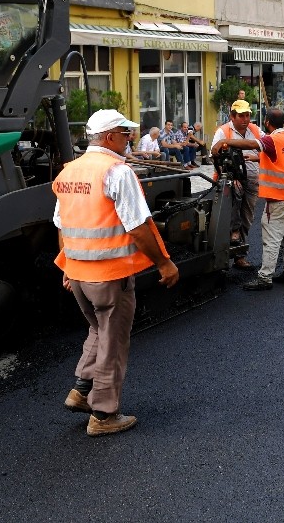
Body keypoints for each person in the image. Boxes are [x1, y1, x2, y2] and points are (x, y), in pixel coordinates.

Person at [53, 109, 179, 437]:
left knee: (97, 330)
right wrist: (164, 263)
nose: (130, 139)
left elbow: (62, 225)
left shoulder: (69, 173)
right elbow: (137, 228)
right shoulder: (117, 172)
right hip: (110, 276)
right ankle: (104, 414)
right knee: (113, 341)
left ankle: (81, 390)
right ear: (109, 136)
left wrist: (68, 264)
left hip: (79, 275)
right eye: (126, 134)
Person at [221, 108, 284, 291]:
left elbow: (250, 143)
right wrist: (257, 158)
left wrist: (225, 141)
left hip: (277, 199)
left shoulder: (272, 139)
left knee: (271, 238)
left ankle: (265, 277)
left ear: (267, 123)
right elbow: (278, 158)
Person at [210, 99, 262, 270]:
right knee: (227, 218)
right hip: (229, 181)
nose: (245, 119)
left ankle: (240, 255)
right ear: (232, 116)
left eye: (247, 115)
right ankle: (223, 257)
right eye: (241, 116)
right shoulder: (223, 131)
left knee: (247, 217)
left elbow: (266, 147)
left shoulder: (254, 130)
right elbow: (214, 155)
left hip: (252, 179)